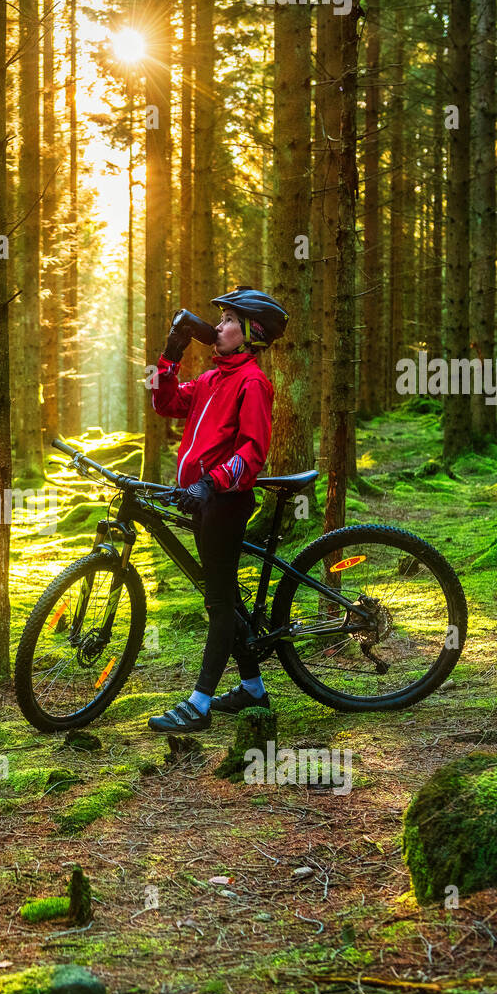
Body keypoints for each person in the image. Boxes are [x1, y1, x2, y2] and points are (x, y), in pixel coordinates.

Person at [143, 287, 287, 733]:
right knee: (222, 597)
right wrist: (170, 352)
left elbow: (252, 451)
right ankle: (253, 689)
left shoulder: (253, 383)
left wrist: (210, 483)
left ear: (249, 334)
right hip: (202, 502)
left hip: (225, 502)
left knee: (219, 602)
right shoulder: (210, 379)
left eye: (227, 320)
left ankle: (199, 703)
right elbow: (163, 403)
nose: (218, 326)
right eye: (220, 318)